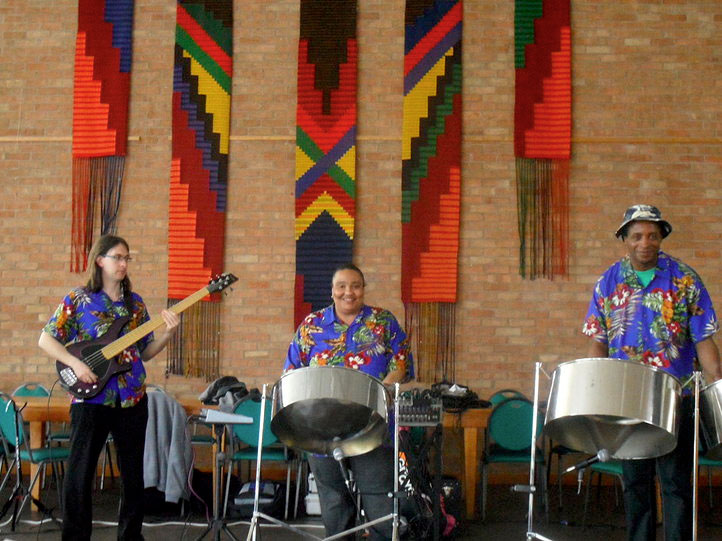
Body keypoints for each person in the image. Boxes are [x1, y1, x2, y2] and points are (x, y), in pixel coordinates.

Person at [582, 204, 721, 541]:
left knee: (676, 484)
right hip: (626, 400)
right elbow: (598, 341)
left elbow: (704, 340)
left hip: (676, 397)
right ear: (624, 239)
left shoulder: (684, 279)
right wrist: (595, 395)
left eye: (652, 235)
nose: (645, 242)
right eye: (637, 236)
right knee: (635, 484)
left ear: (661, 238)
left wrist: (718, 386)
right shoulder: (608, 282)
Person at [38, 234, 180, 541]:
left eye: (127, 258)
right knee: (80, 473)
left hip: (132, 397)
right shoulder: (78, 300)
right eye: (117, 257)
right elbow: (46, 339)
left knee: (133, 475)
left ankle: (130, 537)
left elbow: (144, 352)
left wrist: (167, 335)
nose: (123, 263)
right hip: (91, 399)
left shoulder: (135, 304)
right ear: (100, 260)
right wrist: (75, 364)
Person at [284, 263, 414, 540]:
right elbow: (292, 370)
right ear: (332, 290)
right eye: (341, 286)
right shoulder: (312, 325)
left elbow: (401, 363)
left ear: (363, 289)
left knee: (379, 499)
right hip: (322, 428)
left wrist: (385, 388)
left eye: (355, 286)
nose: (348, 292)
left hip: (371, 425)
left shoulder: (382, 321)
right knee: (333, 502)